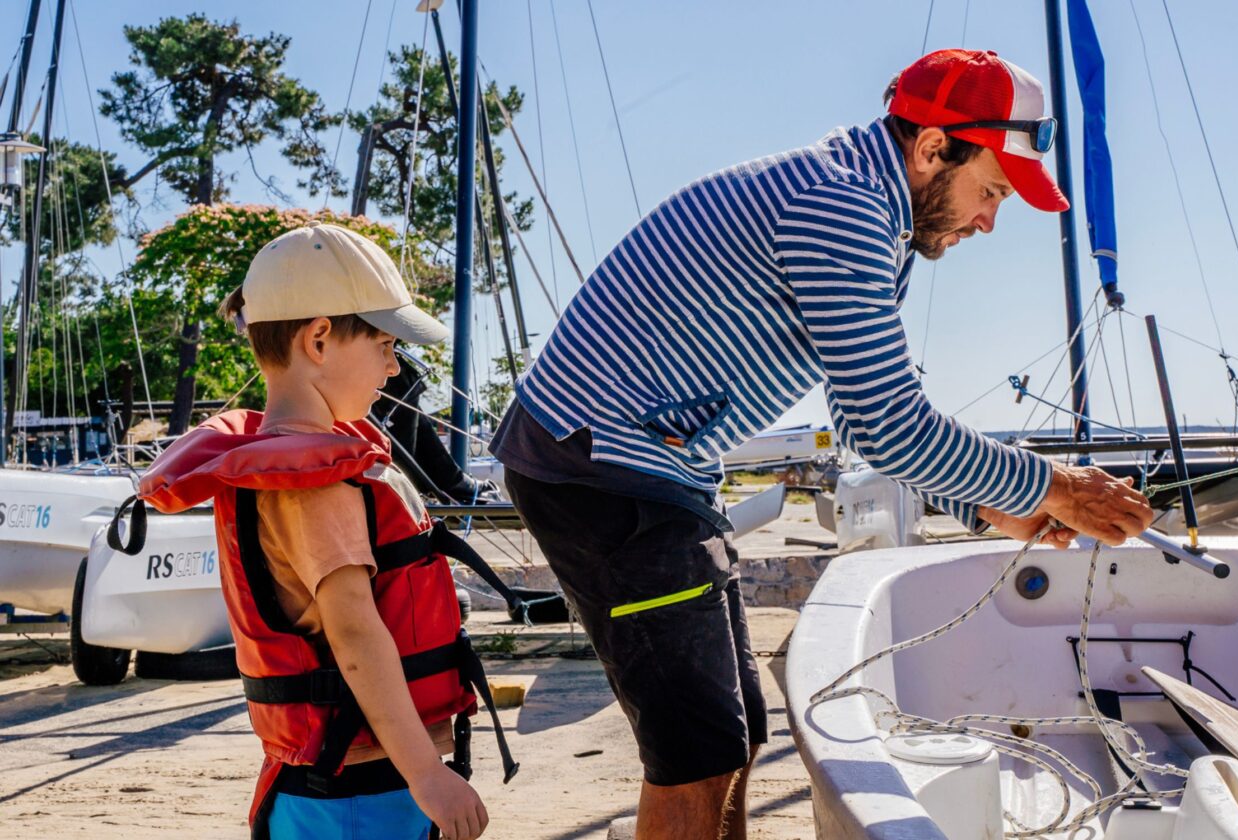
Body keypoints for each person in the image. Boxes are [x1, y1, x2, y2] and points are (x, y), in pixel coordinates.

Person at [490, 49, 1154, 839]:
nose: (988, 220)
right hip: (599, 466)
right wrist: (1054, 487)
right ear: (932, 147)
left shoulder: (876, 214)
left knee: (735, 732)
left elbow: (860, 419)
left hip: (648, 470)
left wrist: (985, 510)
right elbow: (889, 423)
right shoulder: (840, 207)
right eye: (992, 191)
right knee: (695, 754)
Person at [135, 221, 508, 840]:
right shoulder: (315, 482)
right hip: (357, 796)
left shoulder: (291, 461)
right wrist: (427, 775)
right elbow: (355, 634)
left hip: (331, 784)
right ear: (318, 339)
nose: (392, 368)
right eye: (384, 345)